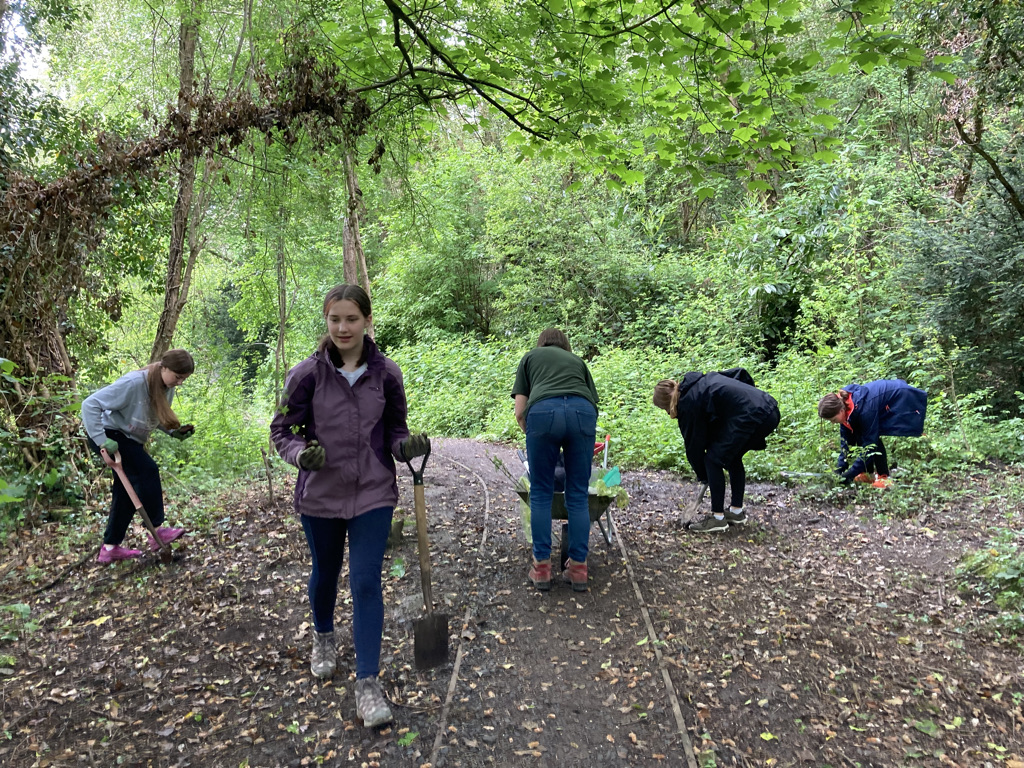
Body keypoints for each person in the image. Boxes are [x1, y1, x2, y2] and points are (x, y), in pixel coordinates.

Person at [270, 283, 429, 729]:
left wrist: (407, 447)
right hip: (320, 495)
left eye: (351, 319)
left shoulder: (387, 374)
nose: (342, 327)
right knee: (324, 574)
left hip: (373, 493)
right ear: (326, 321)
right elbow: (281, 429)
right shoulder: (306, 375)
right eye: (334, 319)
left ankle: (367, 683)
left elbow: (395, 432)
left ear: (367, 321)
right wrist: (301, 454)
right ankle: (324, 637)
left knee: (365, 582)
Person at [81, 349, 195, 563]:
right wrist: (101, 439)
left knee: (126, 492)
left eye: (184, 379)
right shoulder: (134, 382)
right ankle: (157, 530)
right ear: (164, 367)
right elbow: (90, 405)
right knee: (147, 470)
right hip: (110, 435)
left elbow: (152, 415)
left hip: (129, 439)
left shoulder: (165, 386)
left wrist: (173, 432)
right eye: (178, 377)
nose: (179, 383)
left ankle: (110, 548)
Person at [512, 328, 599, 593]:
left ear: (541, 343)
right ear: (566, 346)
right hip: (583, 413)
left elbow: (519, 412)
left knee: (540, 491)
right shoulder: (578, 362)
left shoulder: (530, 357)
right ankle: (578, 568)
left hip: (543, 412)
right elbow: (592, 402)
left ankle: (541, 568)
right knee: (577, 492)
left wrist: (538, 436)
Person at [653, 368, 779, 533]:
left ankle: (718, 518)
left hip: (753, 416)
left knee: (712, 460)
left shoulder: (688, 403)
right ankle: (736, 512)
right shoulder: (698, 382)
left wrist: (705, 475)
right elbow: (740, 373)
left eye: (664, 409)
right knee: (732, 457)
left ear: (666, 404)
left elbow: (694, 447)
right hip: (768, 408)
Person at [817, 379, 927, 487]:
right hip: (878, 403)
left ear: (841, 411)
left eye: (833, 419)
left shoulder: (865, 410)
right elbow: (846, 443)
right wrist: (839, 469)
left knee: (871, 437)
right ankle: (867, 473)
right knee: (859, 432)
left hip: (900, 397)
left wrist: (851, 474)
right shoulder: (846, 409)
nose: (833, 423)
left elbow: (871, 444)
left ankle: (883, 477)